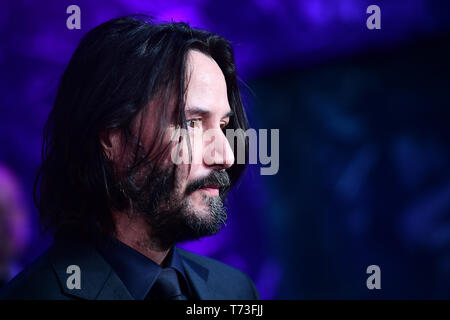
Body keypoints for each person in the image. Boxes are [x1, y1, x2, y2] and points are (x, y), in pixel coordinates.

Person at [0, 15, 259, 300]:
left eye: (223, 126)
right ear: (111, 137)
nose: (225, 155)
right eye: (192, 123)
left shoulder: (234, 290)